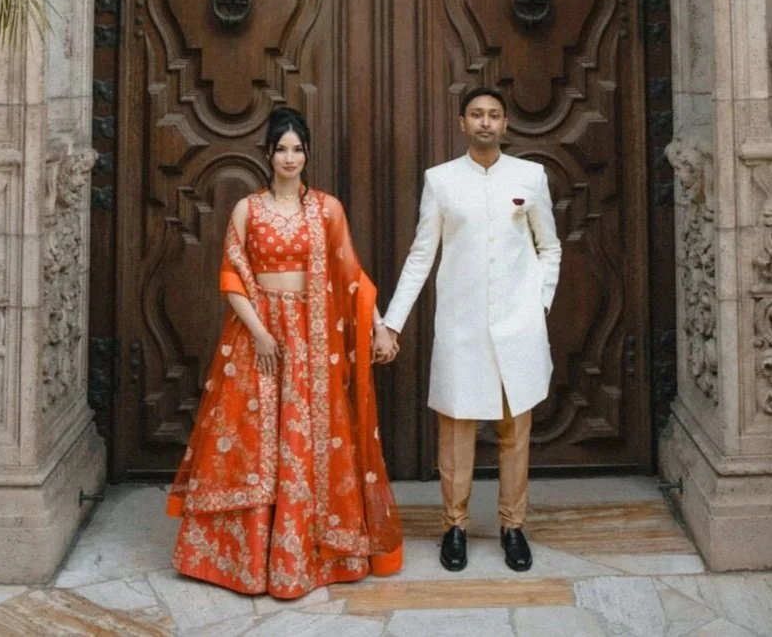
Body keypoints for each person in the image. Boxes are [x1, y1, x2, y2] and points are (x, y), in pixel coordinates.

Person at [166, 107, 402, 599]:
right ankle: (247, 562)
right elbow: (231, 277)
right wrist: (259, 333)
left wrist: (381, 329)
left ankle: (304, 557)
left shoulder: (327, 210)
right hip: (257, 336)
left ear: (306, 154)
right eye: (281, 148)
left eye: (297, 148)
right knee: (253, 439)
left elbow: (352, 277)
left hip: (315, 340)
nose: (289, 157)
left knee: (305, 441)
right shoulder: (247, 211)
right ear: (267, 154)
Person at [374, 87, 561, 573]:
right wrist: (391, 323)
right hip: (461, 327)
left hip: (516, 328)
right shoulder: (440, 181)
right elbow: (421, 256)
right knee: (455, 433)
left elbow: (550, 248)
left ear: (505, 124)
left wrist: (537, 304)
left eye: (494, 115)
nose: (485, 122)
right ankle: (453, 526)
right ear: (462, 123)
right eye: (476, 114)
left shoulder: (530, 176)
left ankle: (512, 527)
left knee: (514, 432)